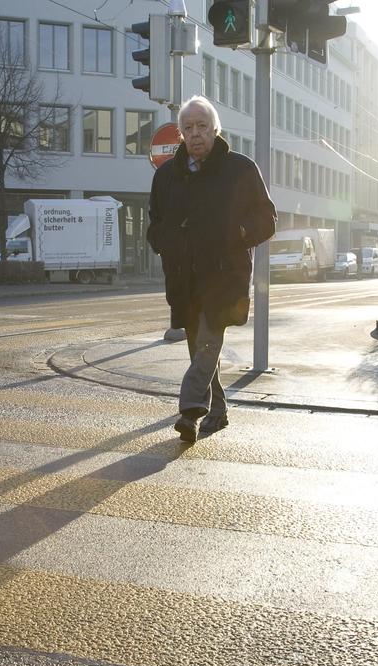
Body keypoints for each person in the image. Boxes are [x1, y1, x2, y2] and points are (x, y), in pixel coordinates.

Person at [147, 96, 277, 443]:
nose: (195, 134)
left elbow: (267, 219)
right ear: (180, 134)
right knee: (199, 348)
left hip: (223, 277)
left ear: (214, 128)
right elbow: (155, 223)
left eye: (201, 126)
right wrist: (165, 242)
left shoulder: (240, 169)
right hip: (184, 277)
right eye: (187, 128)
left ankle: (189, 411)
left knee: (208, 341)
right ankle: (217, 411)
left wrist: (237, 233)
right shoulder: (166, 176)